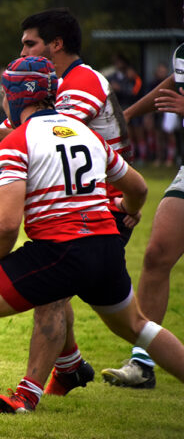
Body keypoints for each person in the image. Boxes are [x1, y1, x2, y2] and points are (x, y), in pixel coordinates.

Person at [0, 56, 184, 432]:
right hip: (106, 247)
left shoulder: (16, 142)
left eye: (5, 94)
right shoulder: (86, 134)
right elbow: (138, 187)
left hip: (60, 250)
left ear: (14, 96)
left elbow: (7, 225)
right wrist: (128, 209)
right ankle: (68, 365)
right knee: (139, 326)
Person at [0, 8, 134, 411]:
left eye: (29, 43)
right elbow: (3, 143)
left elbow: (42, 139)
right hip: (81, 206)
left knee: (51, 293)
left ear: (55, 44)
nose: (22, 51)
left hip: (98, 208)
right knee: (127, 322)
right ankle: (70, 366)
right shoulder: (42, 89)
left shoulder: (80, 83)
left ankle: (28, 394)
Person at [101, 35, 184, 389]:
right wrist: (129, 114)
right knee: (156, 255)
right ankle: (142, 363)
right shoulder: (182, 53)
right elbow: (173, 84)